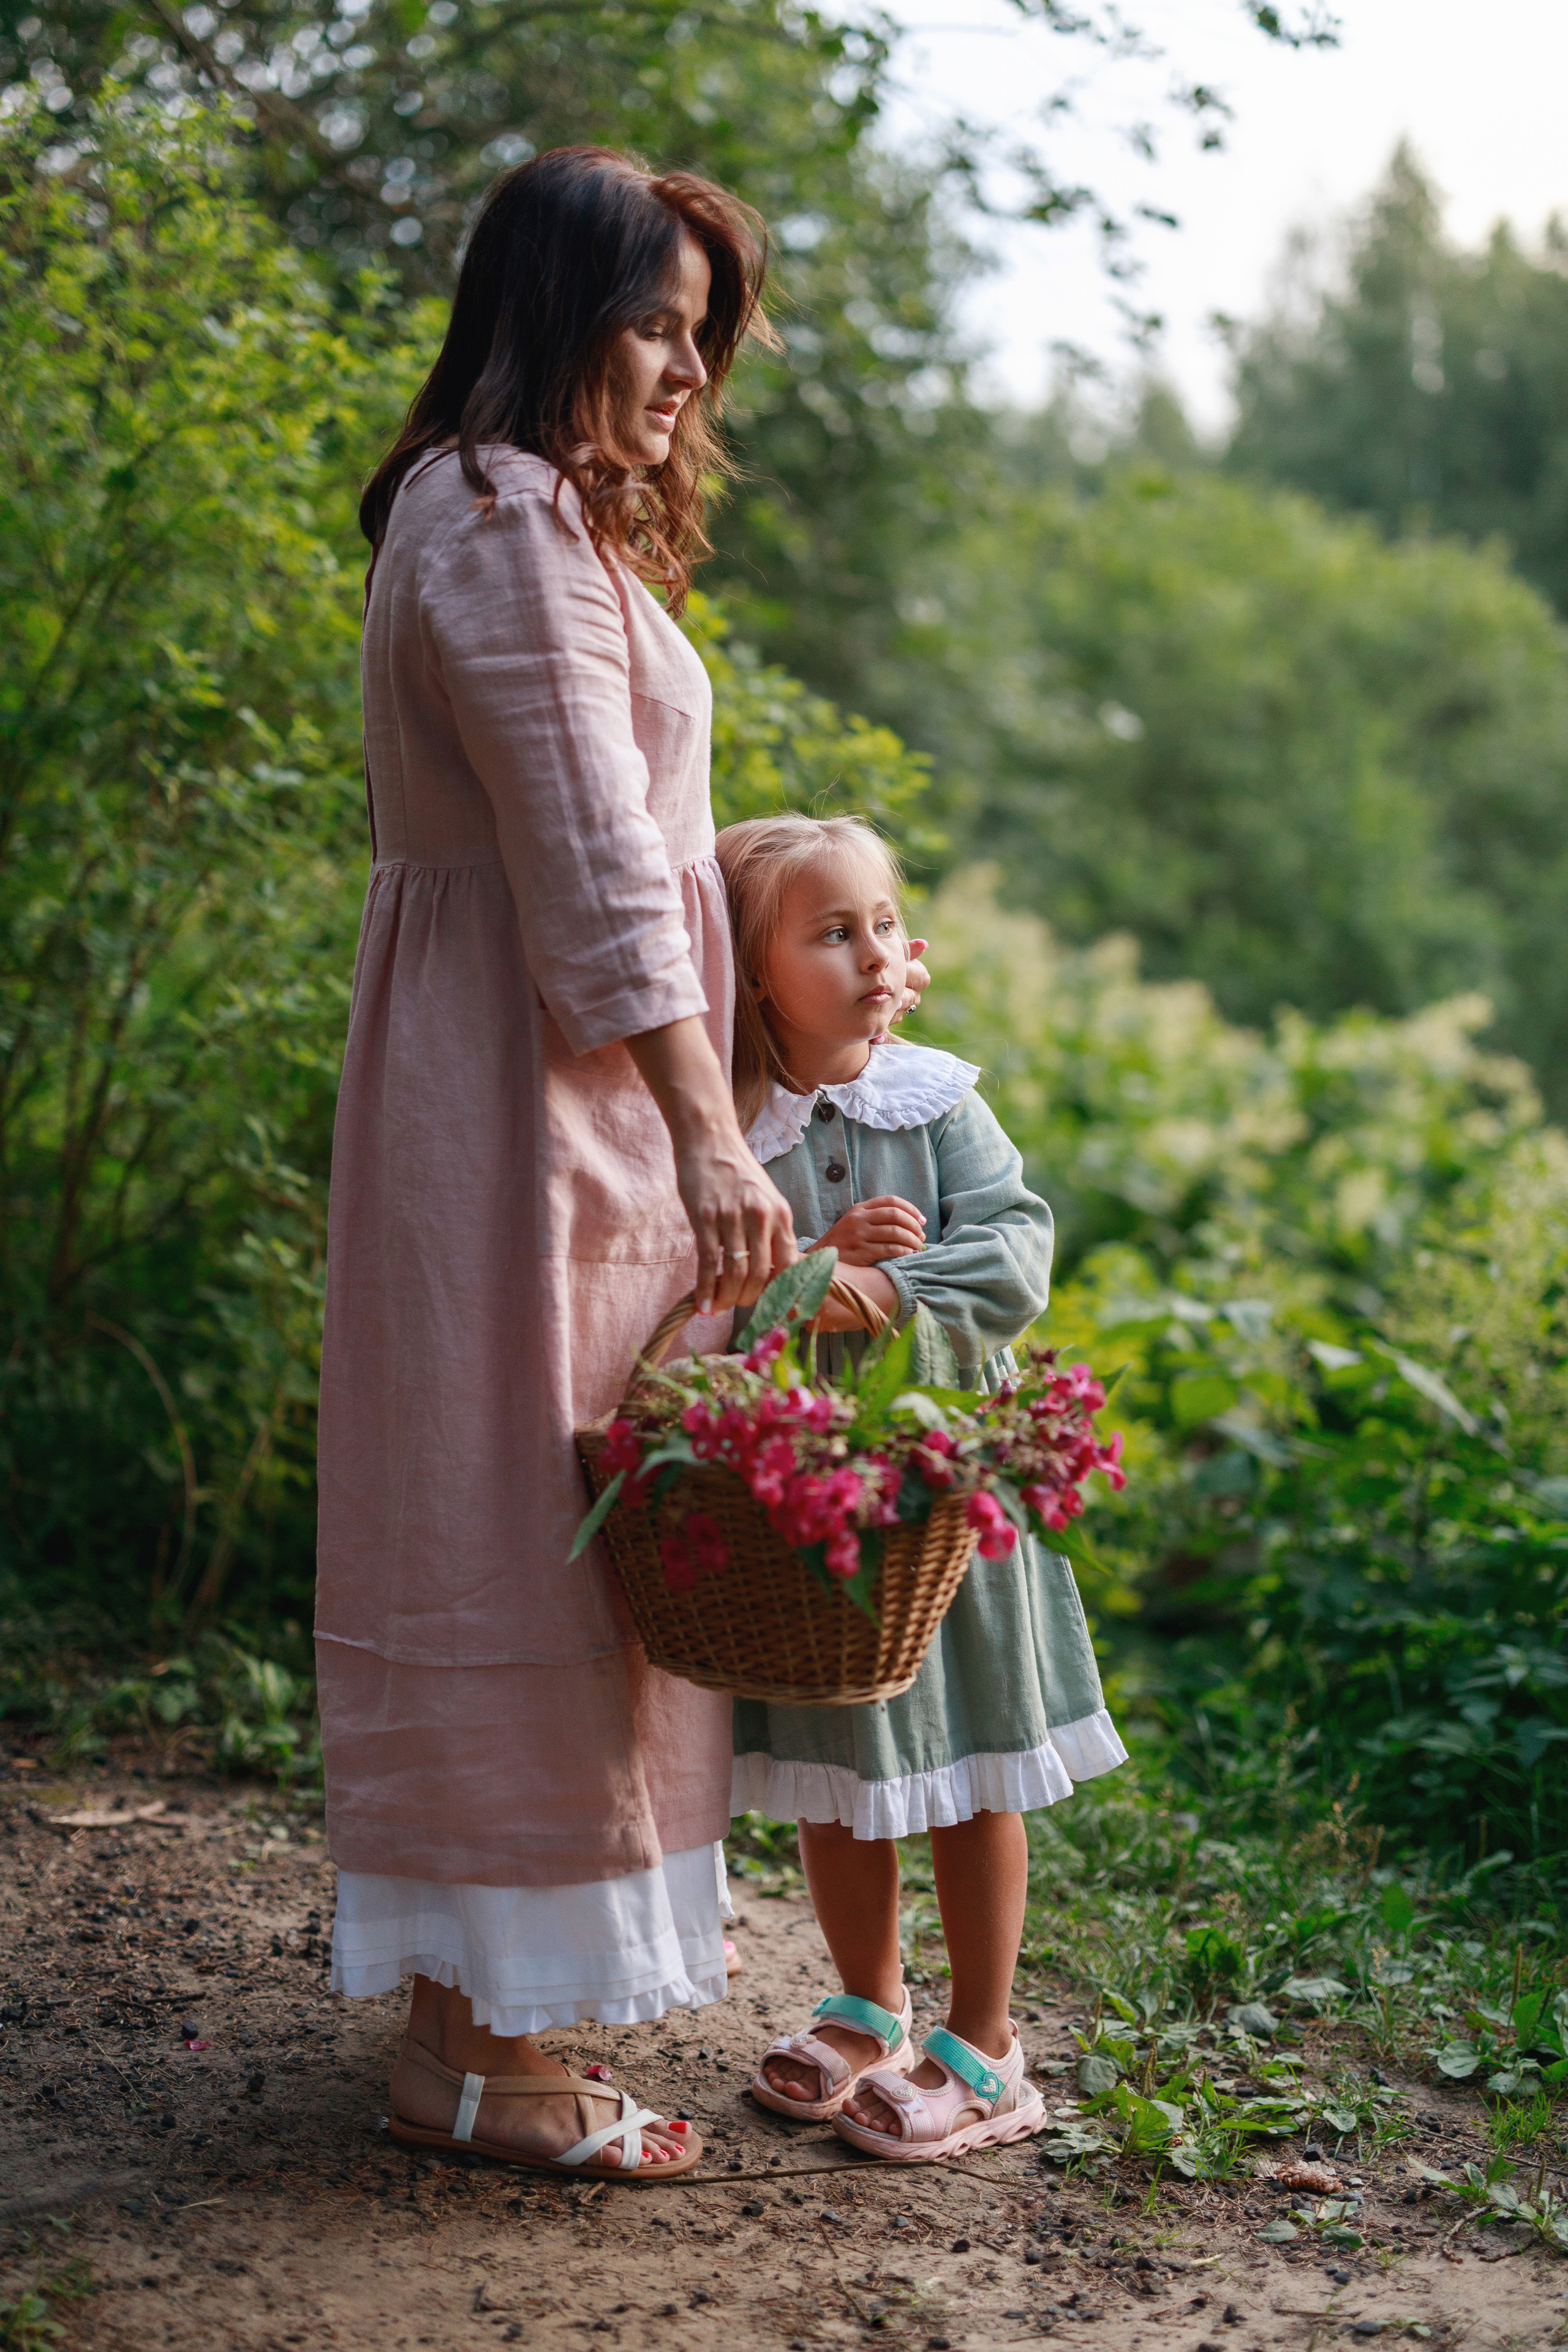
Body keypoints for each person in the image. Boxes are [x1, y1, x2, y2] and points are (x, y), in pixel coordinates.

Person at [314, 147, 809, 2181]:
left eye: (703, 340)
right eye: (656, 329)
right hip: (537, 1109)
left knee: (502, 1525)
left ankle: (462, 2044)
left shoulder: (508, 517)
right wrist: (710, 1129)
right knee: (525, 1542)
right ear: (551, 317)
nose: (684, 374)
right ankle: (502, 2064)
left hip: (534, 1094)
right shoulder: (509, 527)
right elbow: (599, 864)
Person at [714, 813, 1128, 2163]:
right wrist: (804, 1270)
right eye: (831, 932)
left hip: (947, 1492)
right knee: (844, 1765)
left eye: (883, 922)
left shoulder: (937, 1101)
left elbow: (1012, 1254)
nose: (873, 952)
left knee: (968, 1773)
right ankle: (866, 2004)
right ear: (753, 969)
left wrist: (881, 1286)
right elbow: (708, 1308)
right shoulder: (730, 1136)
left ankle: (987, 2045)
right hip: (821, 1503)